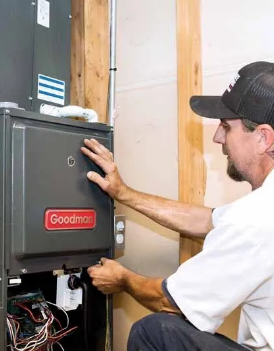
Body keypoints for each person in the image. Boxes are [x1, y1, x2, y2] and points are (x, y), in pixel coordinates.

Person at [81, 61, 274, 351]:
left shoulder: (258, 218)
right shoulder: (262, 206)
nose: (217, 138)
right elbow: (207, 221)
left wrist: (123, 279)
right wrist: (124, 193)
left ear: (263, 137)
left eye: (225, 127)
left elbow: (170, 300)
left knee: (155, 331)